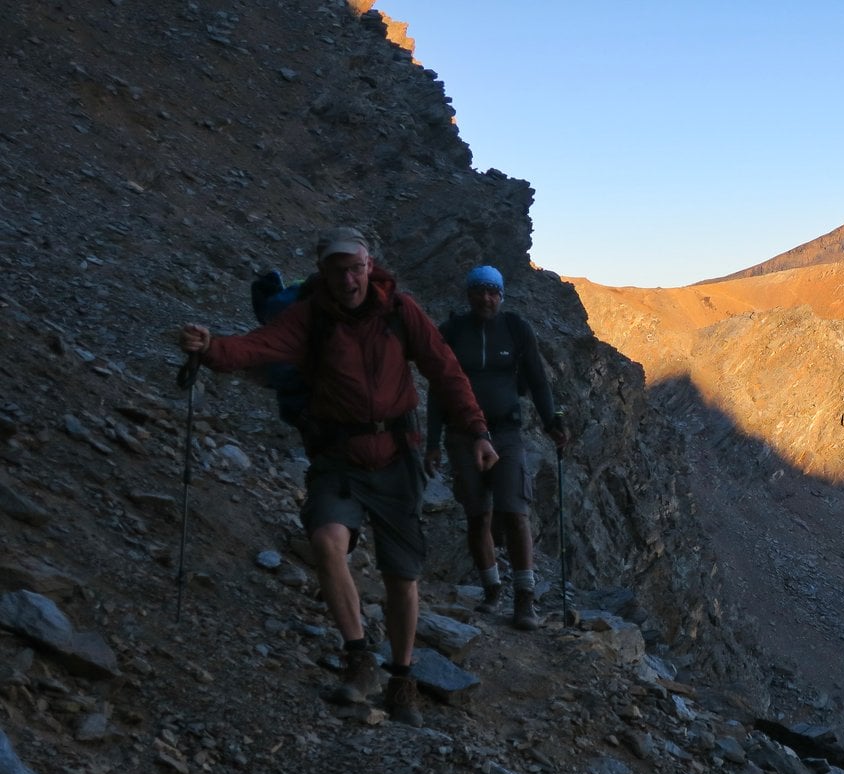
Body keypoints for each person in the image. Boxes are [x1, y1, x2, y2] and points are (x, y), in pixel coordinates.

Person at [177, 226, 497, 727]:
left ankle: (402, 676)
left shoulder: (400, 311)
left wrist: (477, 430)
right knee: (327, 541)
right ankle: (358, 657)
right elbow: (257, 348)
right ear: (323, 272)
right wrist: (211, 347)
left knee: (402, 576)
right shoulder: (310, 317)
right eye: (337, 269)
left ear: (370, 267)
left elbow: (444, 369)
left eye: (355, 267)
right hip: (339, 455)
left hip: (396, 453)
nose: (348, 278)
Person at [425, 265, 569, 630]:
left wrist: (551, 421)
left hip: (507, 434)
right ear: (469, 294)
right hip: (461, 436)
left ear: (501, 295)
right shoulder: (452, 332)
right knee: (478, 515)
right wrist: (431, 443)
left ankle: (525, 599)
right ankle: (492, 589)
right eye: (479, 291)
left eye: (493, 292)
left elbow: (537, 379)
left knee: (515, 512)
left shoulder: (516, 329)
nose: (486, 298)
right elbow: (438, 391)